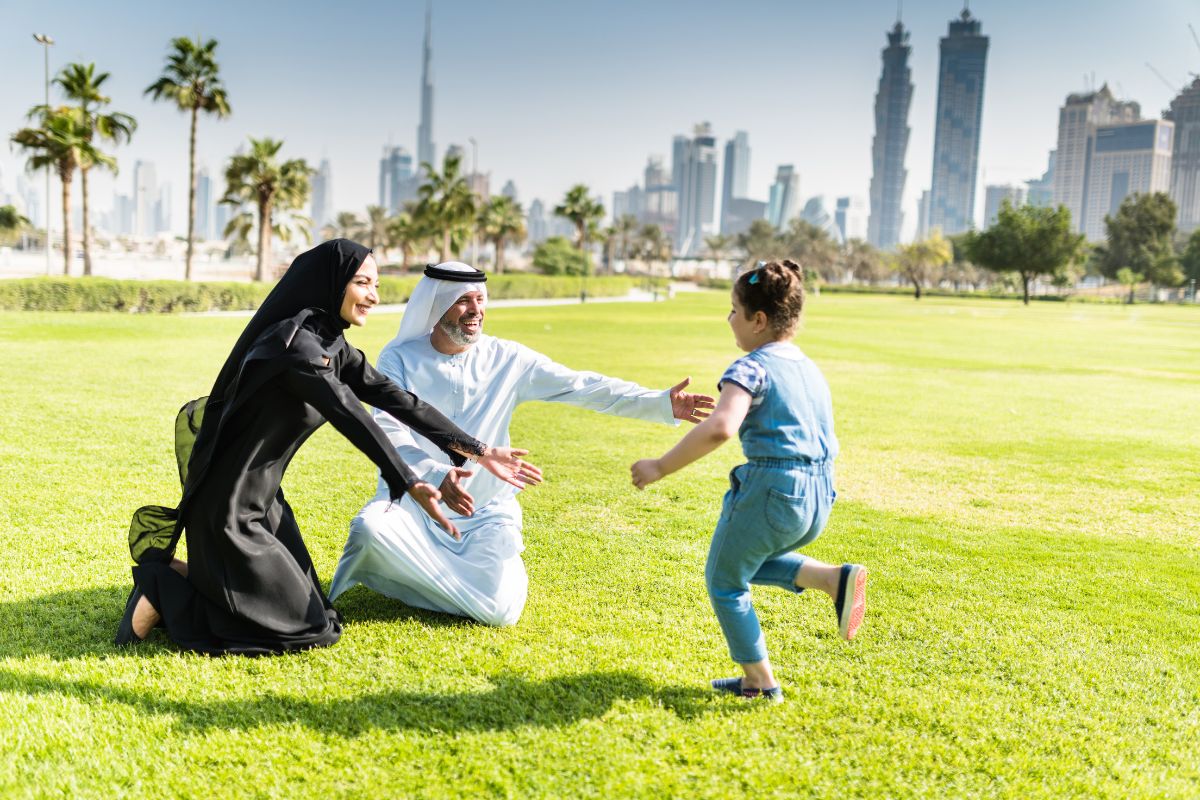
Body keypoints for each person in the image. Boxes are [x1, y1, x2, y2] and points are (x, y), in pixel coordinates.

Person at [116, 240, 535, 655]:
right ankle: (163, 589)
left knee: (320, 612)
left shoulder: (330, 342)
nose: (373, 295)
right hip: (228, 510)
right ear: (331, 282)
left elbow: (397, 398)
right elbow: (353, 416)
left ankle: (192, 574)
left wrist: (479, 450)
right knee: (309, 632)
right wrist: (407, 480)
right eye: (362, 282)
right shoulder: (297, 348)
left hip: (266, 504)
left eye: (376, 284)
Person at [327, 261, 714, 626]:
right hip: (417, 504)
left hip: (486, 512)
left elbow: (583, 386)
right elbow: (391, 433)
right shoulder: (400, 358)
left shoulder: (508, 358)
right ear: (438, 305)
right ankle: (430, 576)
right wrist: (438, 475)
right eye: (463, 300)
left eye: (480, 299)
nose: (475, 309)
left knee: (500, 611)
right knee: (368, 531)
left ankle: (416, 579)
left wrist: (660, 403)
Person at [630, 259, 866, 703]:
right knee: (743, 564)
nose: (729, 319)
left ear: (758, 321)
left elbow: (721, 427)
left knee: (724, 580)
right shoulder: (809, 368)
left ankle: (759, 681)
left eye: (735, 310)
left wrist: (659, 466)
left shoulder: (751, 367)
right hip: (819, 494)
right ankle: (834, 580)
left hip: (773, 491)